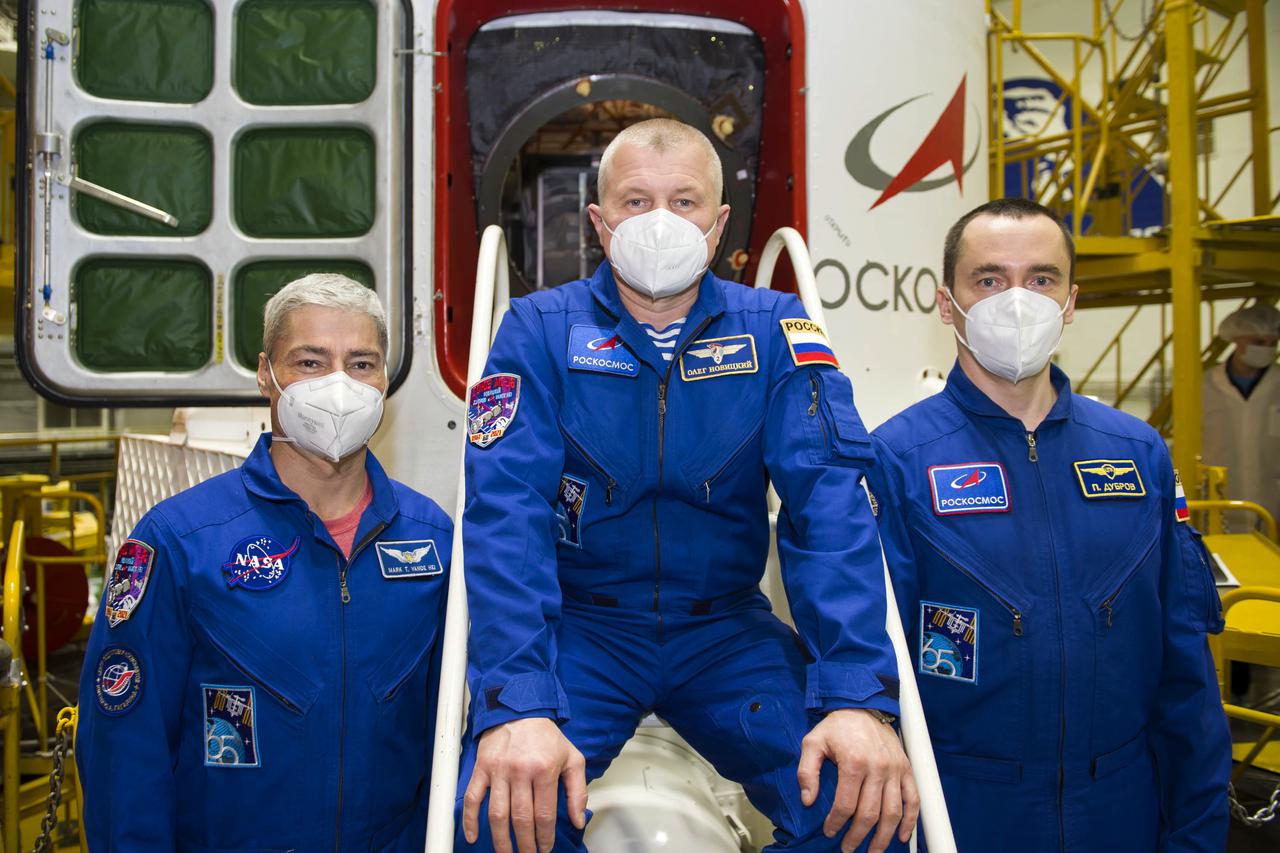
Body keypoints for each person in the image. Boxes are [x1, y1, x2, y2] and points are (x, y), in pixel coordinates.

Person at [457, 119, 915, 853]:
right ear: (600, 223)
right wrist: (518, 702)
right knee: (493, 818)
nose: (661, 221)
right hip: (584, 630)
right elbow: (504, 514)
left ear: (719, 222)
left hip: (727, 632)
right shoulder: (538, 330)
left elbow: (829, 506)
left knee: (868, 810)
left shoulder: (775, 329)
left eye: (685, 201)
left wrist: (858, 694)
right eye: (637, 202)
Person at [867, 198, 1230, 851]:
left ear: (1069, 302)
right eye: (989, 279)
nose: (1017, 300)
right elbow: (871, 679)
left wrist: (1196, 835)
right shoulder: (897, 460)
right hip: (964, 810)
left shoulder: (1137, 453)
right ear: (947, 304)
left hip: (1120, 808)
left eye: (1040, 279)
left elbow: (1187, 674)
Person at [77, 274, 452, 851]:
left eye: (360, 364)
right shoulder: (179, 541)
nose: (337, 385)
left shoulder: (432, 541)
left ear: (383, 381)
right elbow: (125, 751)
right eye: (309, 362)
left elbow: (448, 730)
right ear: (264, 373)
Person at [1202, 301, 1280, 531]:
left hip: (1272, 509)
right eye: (1258, 342)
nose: (1266, 349)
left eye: (1273, 343)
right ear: (1236, 339)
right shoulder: (1203, 385)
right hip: (1216, 509)